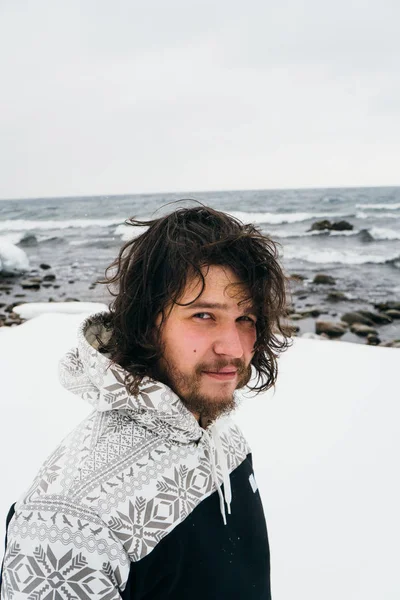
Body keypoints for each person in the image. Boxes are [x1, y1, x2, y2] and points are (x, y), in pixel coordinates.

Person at [0, 205, 291, 599]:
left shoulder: (217, 427)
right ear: (147, 323)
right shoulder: (67, 521)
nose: (235, 349)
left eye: (247, 319)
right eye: (204, 315)